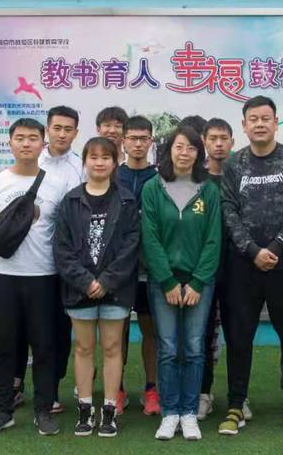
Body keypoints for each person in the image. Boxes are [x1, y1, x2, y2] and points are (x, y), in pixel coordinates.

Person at [219, 96, 283, 439]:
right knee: (239, 338)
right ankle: (235, 405)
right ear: (244, 125)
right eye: (253, 119)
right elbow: (228, 210)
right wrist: (252, 250)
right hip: (243, 267)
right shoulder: (234, 163)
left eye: (265, 118)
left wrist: (273, 249)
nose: (259, 124)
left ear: (276, 123)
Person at [0, 118, 69, 438]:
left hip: (44, 276)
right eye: (19, 138)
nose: (26, 143)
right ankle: (2, 410)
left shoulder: (58, 184)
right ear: (10, 143)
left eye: (32, 138)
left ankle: (43, 410)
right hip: (1, 276)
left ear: (43, 143)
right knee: (2, 346)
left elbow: (63, 231)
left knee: (44, 346)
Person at [54, 137, 141, 438]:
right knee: (83, 347)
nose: (99, 162)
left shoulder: (127, 200)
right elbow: (62, 249)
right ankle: (85, 408)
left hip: (115, 289)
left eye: (106, 157)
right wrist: (86, 281)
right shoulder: (70, 201)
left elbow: (131, 246)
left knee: (113, 347)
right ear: (85, 161)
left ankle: (109, 411)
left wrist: (105, 281)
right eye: (93, 157)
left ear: (115, 162)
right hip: (79, 289)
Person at [142, 126, 221, 441]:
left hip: (199, 283)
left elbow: (214, 239)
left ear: (198, 153)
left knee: (193, 347)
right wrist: (167, 281)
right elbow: (150, 238)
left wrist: (198, 282)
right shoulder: (153, 187)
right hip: (164, 283)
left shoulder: (208, 189)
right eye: (179, 146)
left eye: (191, 148)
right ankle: (169, 412)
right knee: (168, 348)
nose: (184, 153)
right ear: (169, 150)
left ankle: (189, 412)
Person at [35, 105, 86, 413]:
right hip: (34, 261)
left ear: (76, 133)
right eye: (57, 128)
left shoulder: (81, 167)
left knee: (59, 330)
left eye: (68, 129)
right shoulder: (32, 162)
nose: (62, 134)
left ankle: (53, 387)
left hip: (67, 265)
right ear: (47, 129)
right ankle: (19, 384)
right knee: (33, 328)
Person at [117, 115, 161, 416]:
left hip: (149, 269)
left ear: (150, 142)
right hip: (118, 271)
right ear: (123, 141)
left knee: (150, 330)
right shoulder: (112, 175)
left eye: (143, 138)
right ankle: (117, 389)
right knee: (115, 332)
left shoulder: (159, 178)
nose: (137, 144)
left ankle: (151, 389)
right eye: (132, 138)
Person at [198, 118, 237, 421]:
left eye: (224, 138)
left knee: (238, 334)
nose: (219, 144)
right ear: (204, 142)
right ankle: (203, 394)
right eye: (213, 138)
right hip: (204, 269)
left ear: (232, 142)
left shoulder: (241, 176)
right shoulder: (195, 180)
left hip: (239, 267)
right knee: (203, 334)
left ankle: (238, 398)